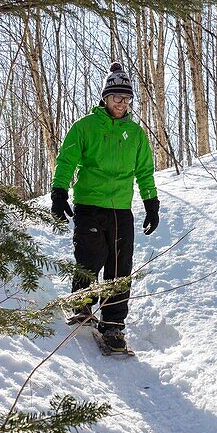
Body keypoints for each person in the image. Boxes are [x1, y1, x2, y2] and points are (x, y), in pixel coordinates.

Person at [50, 61, 160, 352]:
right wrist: (59, 191)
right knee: (91, 257)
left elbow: (145, 171)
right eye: (116, 97)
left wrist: (151, 203)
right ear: (105, 98)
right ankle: (82, 305)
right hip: (89, 205)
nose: (121, 103)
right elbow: (67, 160)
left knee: (120, 268)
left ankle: (113, 325)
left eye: (126, 98)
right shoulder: (85, 127)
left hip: (121, 209)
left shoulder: (135, 134)